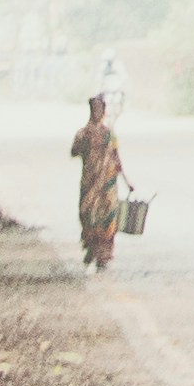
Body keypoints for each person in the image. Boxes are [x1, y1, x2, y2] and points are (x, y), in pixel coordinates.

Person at [70, 91, 130, 273]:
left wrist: (127, 181)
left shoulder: (109, 135)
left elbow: (116, 158)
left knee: (107, 219)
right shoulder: (83, 133)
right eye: (94, 109)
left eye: (99, 109)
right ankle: (91, 248)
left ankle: (103, 255)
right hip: (90, 184)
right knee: (88, 216)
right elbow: (74, 152)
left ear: (103, 111)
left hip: (108, 184)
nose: (97, 112)